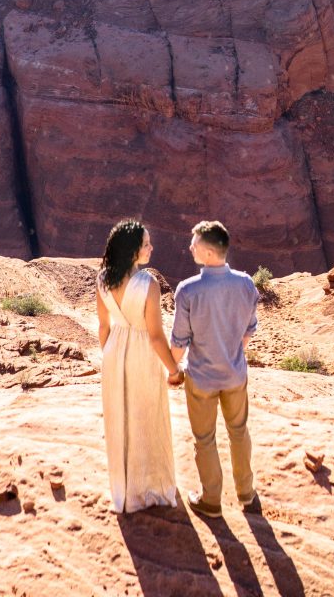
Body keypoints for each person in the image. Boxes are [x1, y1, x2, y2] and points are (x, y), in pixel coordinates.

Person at [170, 220, 260, 518]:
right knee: (239, 431)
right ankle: (247, 494)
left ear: (208, 252)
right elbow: (248, 330)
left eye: (194, 243)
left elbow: (179, 342)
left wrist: (174, 369)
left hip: (202, 379)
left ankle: (211, 500)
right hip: (235, 375)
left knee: (205, 439)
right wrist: (231, 353)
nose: (190, 247)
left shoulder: (188, 291)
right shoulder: (246, 284)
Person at [96, 218, 182, 514]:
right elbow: (156, 336)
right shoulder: (148, 284)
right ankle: (149, 488)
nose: (151, 248)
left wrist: (110, 356)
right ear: (134, 250)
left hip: (113, 352)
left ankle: (125, 488)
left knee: (119, 417)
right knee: (146, 416)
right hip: (142, 353)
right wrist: (174, 370)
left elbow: (103, 327)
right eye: (146, 244)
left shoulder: (102, 279)